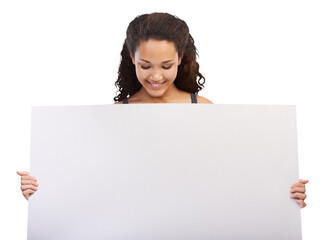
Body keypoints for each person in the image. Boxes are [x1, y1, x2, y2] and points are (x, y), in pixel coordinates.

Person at [17, 12, 309, 208]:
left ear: (180, 58)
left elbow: (235, 176)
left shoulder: (203, 110)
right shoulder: (116, 116)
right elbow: (95, 184)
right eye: (146, 66)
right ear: (132, 58)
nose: (155, 76)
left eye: (166, 66)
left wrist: (281, 191)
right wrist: (43, 189)